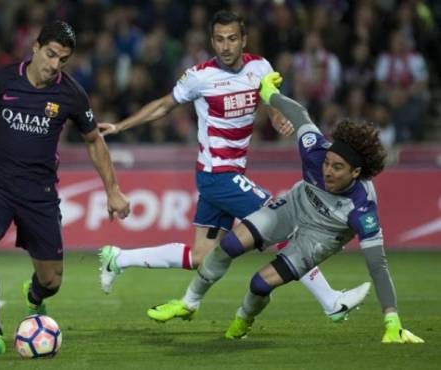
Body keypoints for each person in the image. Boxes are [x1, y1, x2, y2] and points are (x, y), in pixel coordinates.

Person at [98, 10, 369, 321]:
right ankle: (331, 302)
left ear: (243, 40)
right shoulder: (200, 76)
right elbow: (163, 105)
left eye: (231, 39)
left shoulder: (260, 67)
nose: (225, 47)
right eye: (218, 40)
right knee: (283, 223)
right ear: (212, 41)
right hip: (218, 175)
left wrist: (276, 114)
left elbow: (271, 100)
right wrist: (119, 127)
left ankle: (117, 258)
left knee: (201, 257)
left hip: (228, 176)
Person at [147, 71, 424, 345]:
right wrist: (270, 93)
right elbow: (299, 113)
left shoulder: (362, 208)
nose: (327, 170)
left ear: (356, 173)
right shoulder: (315, 151)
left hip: (320, 237)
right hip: (293, 206)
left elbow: (378, 265)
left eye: (337, 168)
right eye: (328, 163)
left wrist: (392, 320)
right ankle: (189, 302)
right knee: (230, 244)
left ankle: (244, 319)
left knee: (259, 284)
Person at [0, 21, 130, 356]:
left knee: (51, 281)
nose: (54, 65)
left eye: (63, 59)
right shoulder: (2, 79)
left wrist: (113, 190)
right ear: (34, 47)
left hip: (39, 194)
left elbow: (93, 140)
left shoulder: (71, 93)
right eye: (50, 54)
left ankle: (33, 298)